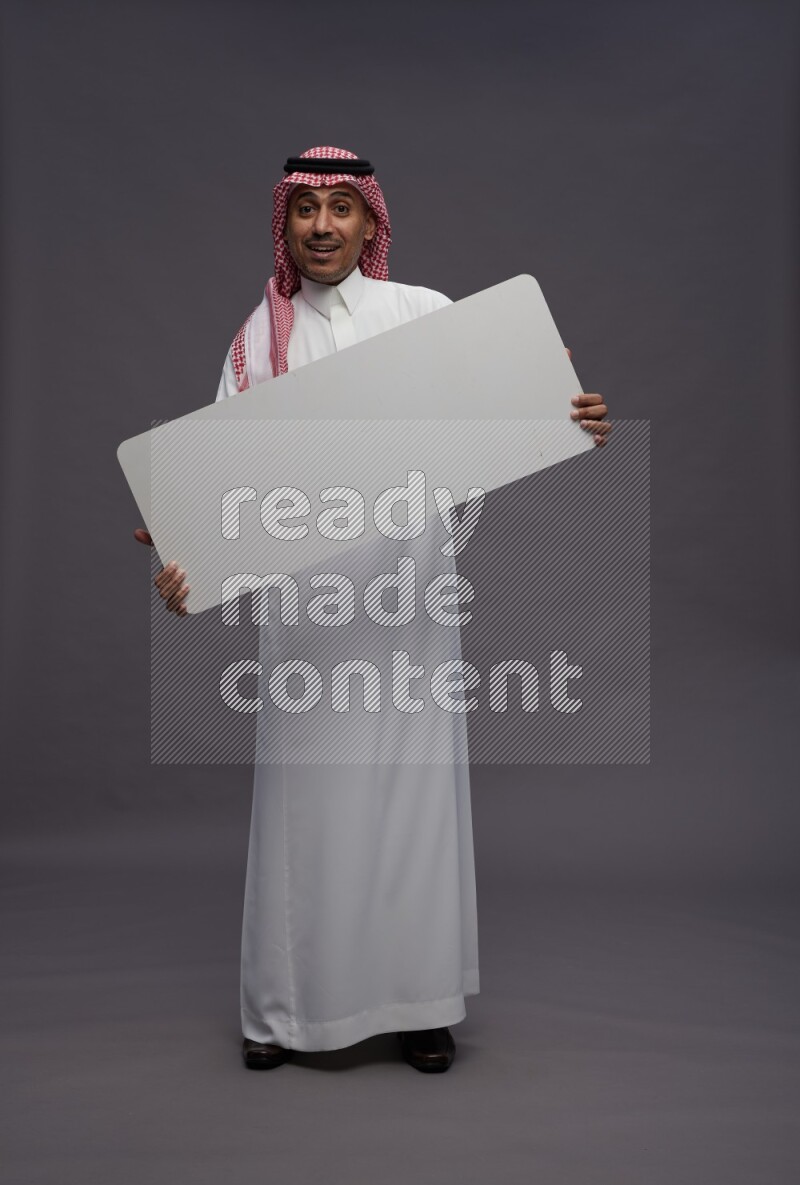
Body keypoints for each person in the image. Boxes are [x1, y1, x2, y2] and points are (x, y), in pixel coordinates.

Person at [135, 145, 611, 1073]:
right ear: (284, 223)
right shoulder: (253, 345)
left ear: (370, 222)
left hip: (409, 606)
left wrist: (570, 415)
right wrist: (179, 551)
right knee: (304, 816)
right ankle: (282, 1013)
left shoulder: (425, 315)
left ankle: (418, 1003)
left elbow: (510, 408)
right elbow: (215, 491)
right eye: (306, 210)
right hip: (308, 624)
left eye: (342, 208)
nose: (323, 227)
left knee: (412, 804)